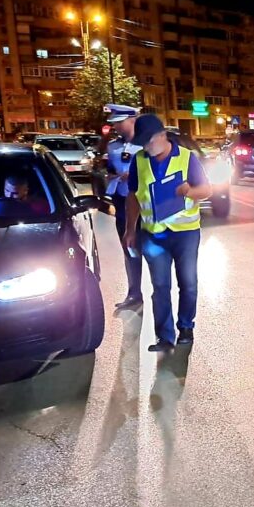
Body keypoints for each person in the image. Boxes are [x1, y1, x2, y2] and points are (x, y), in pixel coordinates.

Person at [123, 114, 212, 352]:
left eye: (149, 141)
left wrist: (189, 191)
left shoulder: (187, 157)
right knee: (160, 287)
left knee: (188, 283)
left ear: (162, 135)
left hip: (185, 233)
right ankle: (164, 337)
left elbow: (206, 190)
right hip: (153, 235)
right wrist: (130, 229)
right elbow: (133, 196)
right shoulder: (139, 161)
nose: (146, 146)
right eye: (142, 142)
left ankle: (186, 327)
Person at [103, 104, 143, 311]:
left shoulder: (148, 144)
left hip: (146, 205)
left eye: (120, 122)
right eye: (114, 123)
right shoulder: (113, 147)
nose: (116, 126)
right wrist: (111, 176)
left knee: (155, 252)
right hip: (122, 202)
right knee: (129, 249)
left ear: (132, 120)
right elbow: (109, 169)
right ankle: (134, 293)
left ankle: (162, 294)